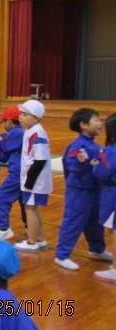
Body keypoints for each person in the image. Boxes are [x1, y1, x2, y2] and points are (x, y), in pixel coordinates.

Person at [54, 108, 111, 270]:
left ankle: (97, 248)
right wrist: (81, 163)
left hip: (94, 189)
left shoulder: (96, 146)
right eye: (96, 120)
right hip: (79, 191)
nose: (100, 123)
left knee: (95, 222)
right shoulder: (77, 145)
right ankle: (61, 255)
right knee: (73, 221)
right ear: (83, 125)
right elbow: (71, 166)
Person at [14, 100, 52, 252]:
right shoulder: (30, 131)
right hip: (32, 180)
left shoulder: (37, 133)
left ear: (36, 118)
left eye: (25, 114)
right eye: (20, 114)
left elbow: (40, 159)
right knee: (32, 209)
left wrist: (30, 181)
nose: (21, 117)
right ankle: (40, 239)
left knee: (30, 209)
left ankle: (32, 242)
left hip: (35, 181)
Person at [0, 106, 27, 240]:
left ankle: (4, 229)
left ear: (9, 121)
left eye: (3, 122)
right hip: (24, 171)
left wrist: (0, 140)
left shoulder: (15, 133)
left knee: (0, 197)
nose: (3, 125)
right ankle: (30, 227)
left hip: (17, 172)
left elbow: (5, 148)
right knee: (24, 201)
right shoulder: (21, 132)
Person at [93, 113, 116, 282]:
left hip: (113, 194)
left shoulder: (111, 150)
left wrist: (95, 165)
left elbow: (102, 172)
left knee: (114, 231)